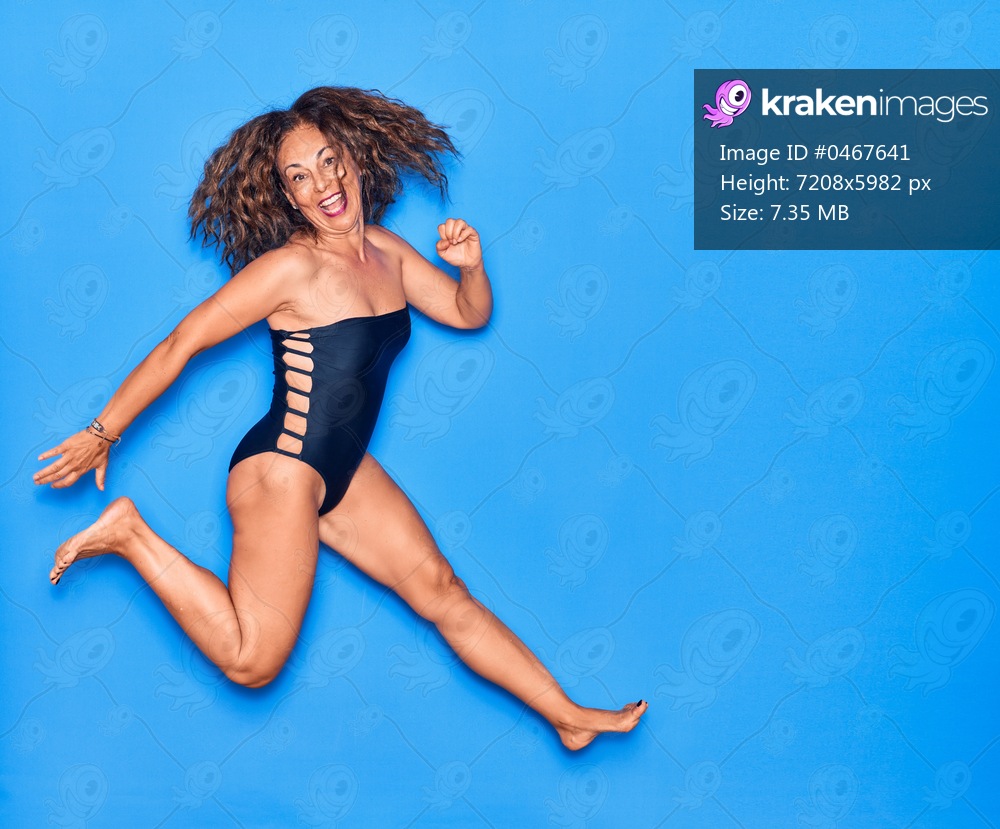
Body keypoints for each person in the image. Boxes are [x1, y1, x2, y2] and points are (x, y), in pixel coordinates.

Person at [33, 86, 647, 750]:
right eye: (299, 176)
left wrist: (472, 268)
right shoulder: (291, 269)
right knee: (251, 661)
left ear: (352, 158)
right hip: (282, 470)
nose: (323, 183)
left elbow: (467, 313)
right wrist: (102, 432)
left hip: (342, 468)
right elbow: (183, 343)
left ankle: (566, 716)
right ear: (288, 196)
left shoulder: (386, 250)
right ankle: (129, 533)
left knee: (443, 591)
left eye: (328, 161)